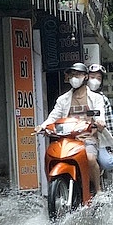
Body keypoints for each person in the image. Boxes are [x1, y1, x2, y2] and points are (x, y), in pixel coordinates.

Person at [35, 62, 107, 194]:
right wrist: (43, 126)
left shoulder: (96, 98)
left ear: (85, 77)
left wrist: (100, 121)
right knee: (51, 155)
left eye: (78, 74)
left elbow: (100, 112)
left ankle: (98, 190)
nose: (74, 78)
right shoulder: (63, 99)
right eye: (72, 75)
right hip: (67, 140)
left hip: (87, 139)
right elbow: (53, 116)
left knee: (90, 158)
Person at [87, 63, 113, 175]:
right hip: (78, 137)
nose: (95, 81)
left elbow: (110, 125)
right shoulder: (75, 96)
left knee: (108, 162)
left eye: (98, 78)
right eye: (92, 77)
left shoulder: (102, 99)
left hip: (97, 139)